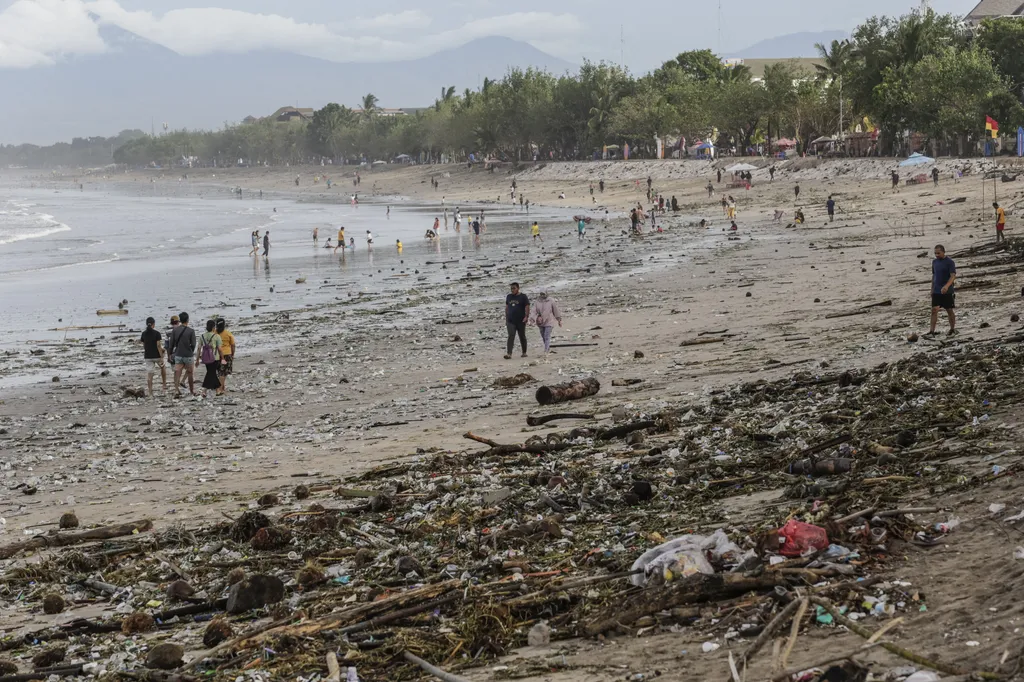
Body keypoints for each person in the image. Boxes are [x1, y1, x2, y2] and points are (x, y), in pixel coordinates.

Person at [928, 244, 957, 337]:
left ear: (943, 252)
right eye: (935, 253)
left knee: (949, 310)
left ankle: (952, 329)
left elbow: (953, 276)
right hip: (936, 290)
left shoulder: (950, 262)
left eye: (938, 253)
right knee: (934, 310)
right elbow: (934, 276)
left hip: (947, 291)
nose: (937, 255)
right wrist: (932, 289)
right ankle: (931, 331)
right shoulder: (934, 262)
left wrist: (947, 286)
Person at [169, 312, 197, 397]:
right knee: (190, 373)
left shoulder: (175, 330)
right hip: (188, 354)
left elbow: (171, 344)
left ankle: (176, 390)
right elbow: (193, 344)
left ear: (180, 320)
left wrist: (170, 354)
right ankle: (192, 391)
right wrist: (190, 351)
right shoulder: (191, 331)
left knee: (178, 372)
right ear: (187, 320)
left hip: (178, 354)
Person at [195, 319, 222, 399]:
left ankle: (217, 390)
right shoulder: (216, 336)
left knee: (211, 372)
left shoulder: (202, 336)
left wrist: (197, 359)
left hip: (206, 358)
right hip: (215, 358)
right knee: (211, 373)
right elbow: (220, 349)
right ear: (214, 327)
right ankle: (205, 390)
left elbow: (199, 348)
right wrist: (223, 357)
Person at [140, 317, 165, 397]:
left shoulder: (143, 334)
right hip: (156, 355)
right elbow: (158, 345)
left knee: (150, 374)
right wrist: (161, 356)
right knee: (163, 368)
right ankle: (164, 384)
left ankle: (150, 391)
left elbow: (144, 345)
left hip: (148, 356)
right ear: (153, 324)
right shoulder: (157, 333)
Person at [504, 282, 530, 359]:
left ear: (518, 288)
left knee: (522, 336)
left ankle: (524, 352)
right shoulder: (509, 297)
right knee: (511, 336)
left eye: (514, 288)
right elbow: (507, 307)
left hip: (521, 320)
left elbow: (527, 306)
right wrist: (506, 318)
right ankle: (509, 353)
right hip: (511, 320)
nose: (512, 290)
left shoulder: (523, 297)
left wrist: (526, 316)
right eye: (511, 288)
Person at [216, 319, 234, 396]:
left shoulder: (214, 333)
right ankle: (220, 388)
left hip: (216, 355)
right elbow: (233, 345)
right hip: (226, 354)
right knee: (223, 372)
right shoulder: (228, 334)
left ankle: (222, 387)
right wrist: (232, 354)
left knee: (220, 372)